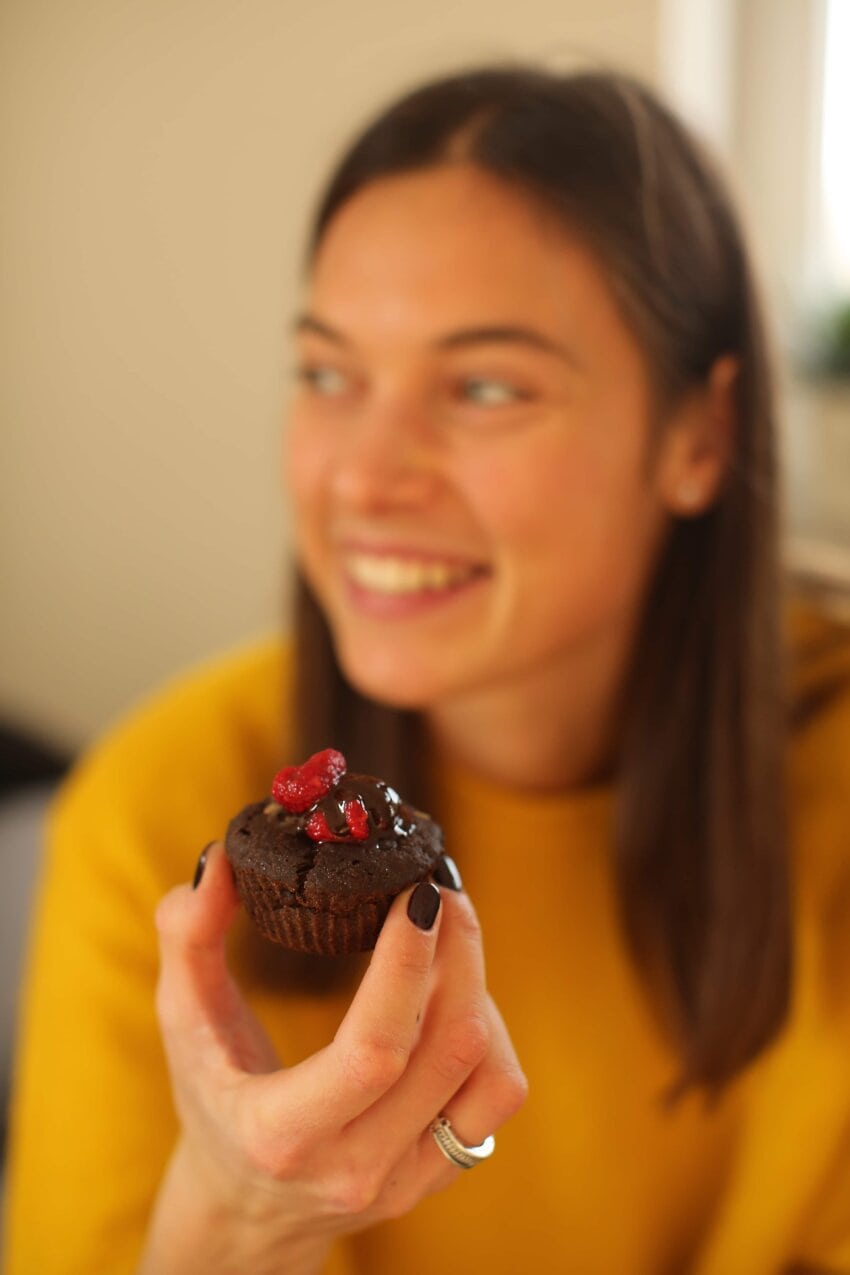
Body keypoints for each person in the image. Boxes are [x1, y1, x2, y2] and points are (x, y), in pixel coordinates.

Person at [5, 62, 850, 1275]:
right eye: (327, 374)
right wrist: (232, 1224)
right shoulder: (151, 818)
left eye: (485, 387)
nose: (361, 477)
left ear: (700, 438)